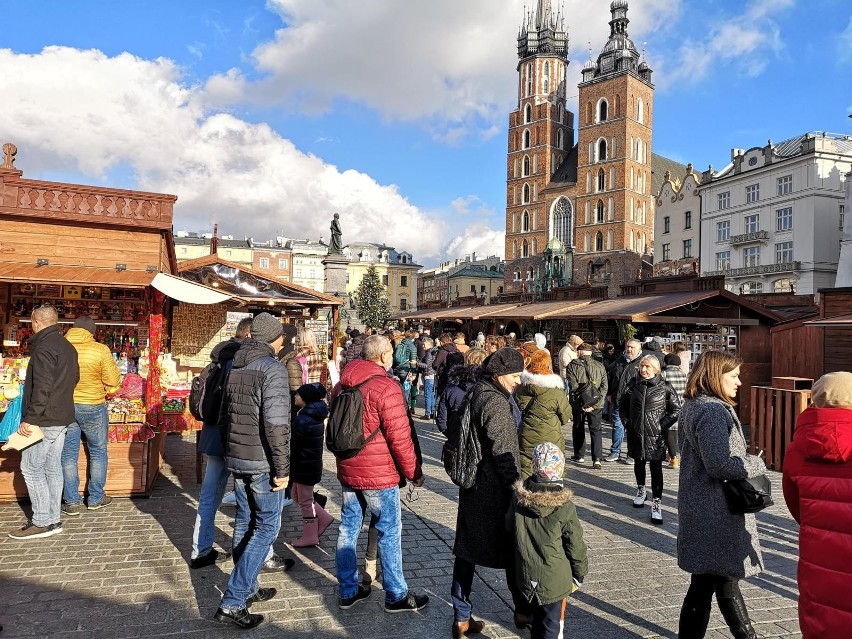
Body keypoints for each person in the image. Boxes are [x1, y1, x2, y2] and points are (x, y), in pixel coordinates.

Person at [332, 335, 428, 613]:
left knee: (348, 528)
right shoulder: (386, 387)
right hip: (379, 474)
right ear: (385, 356)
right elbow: (401, 438)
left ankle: (348, 591)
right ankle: (396, 594)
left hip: (349, 468)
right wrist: (414, 472)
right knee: (389, 531)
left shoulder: (342, 384)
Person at [677, 350, 765, 639]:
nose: (739, 382)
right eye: (734, 376)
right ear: (716, 376)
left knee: (712, 581)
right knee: (717, 581)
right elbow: (720, 465)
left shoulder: (695, 404)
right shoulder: (713, 410)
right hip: (716, 509)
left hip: (704, 505)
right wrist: (757, 462)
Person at [214, 312, 290, 629]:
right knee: (266, 529)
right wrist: (282, 467)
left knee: (246, 522)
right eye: (283, 335)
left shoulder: (237, 365)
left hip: (239, 456)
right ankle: (233, 600)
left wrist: (230, 452)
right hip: (261, 461)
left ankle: (249, 587)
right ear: (275, 338)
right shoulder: (272, 368)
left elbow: (223, 417)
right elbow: (276, 425)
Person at [451, 348, 531, 633]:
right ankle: (523, 611)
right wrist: (517, 489)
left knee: (467, 551)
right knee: (514, 550)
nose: (518, 381)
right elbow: (505, 451)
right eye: (514, 376)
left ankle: (461, 615)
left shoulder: (477, 391)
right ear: (498, 375)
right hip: (493, 488)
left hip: (473, 484)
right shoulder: (495, 402)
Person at [782, 371, 852, 639]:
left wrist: (818, 524)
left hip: (818, 552)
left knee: (823, 619)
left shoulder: (799, 445)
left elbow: (793, 500)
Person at [8, 305, 79, 540]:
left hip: (45, 418)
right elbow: (74, 378)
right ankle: (53, 519)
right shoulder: (67, 346)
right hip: (62, 416)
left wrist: (30, 419)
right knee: (51, 467)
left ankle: (41, 521)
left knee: (31, 468)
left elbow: (42, 387)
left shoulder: (43, 348)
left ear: (36, 322)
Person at [509, 442, 589, 639]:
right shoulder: (564, 505)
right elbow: (575, 543)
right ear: (559, 468)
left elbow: (509, 527)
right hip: (554, 579)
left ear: (535, 466)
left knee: (536, 621)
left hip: (525, 573)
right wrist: (579, 573)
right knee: (551, 626)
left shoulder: (518, 498)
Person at [190, 317, 252, 569]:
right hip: (233, 435)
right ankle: (249, 555)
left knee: (210, 493)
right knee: (247, 495)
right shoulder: (238, 360)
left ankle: (200, 549)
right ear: (249, 336)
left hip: (213, 432)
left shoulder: (218, 355)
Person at [61, 316, 121, 515]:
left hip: (66, 404)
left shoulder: (60, 346)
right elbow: (112, 380)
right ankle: (95, 498)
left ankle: (71, 501)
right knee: (98, 451)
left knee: (68, 453)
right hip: (93, 404)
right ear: (92, 332)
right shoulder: (99, 349)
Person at [619, 355, 680, 524]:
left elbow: (676, 410)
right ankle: (641, 490)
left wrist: (661, 425)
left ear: (656, 369)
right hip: (636, 433)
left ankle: (657, 503)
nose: (643, 370)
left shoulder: (665, 387)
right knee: (639, 462)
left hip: (656, 436)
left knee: (655, 468)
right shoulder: (633, 384)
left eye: (647, 367)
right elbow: (622, 404)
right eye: (641, 366)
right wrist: (627, 422)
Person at [290, 383, 334, 547]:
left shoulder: (303, 419)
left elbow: (294, 444)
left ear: (305, 399)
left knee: (305, 500)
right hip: (308, 465)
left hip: (304, 466)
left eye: (298, 395)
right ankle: (323, 518)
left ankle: (310, 536)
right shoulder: (311, 415)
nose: (295, 397)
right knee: (297, 496)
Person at [515, 350, 571, 478]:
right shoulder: (556, 391)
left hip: (526, 437)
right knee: (552, 469)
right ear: (548, 365)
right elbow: (565, 417)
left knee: (527, 468)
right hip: (552, 438)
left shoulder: (521, 389)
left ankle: (526, 494)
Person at [566, 343, 608, 469]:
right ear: (591, 353)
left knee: (578, 427)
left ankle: (580, 455)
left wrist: (583, 403)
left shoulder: (572, 366)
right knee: (596, 430)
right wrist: (596, 401)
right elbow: (604, 386)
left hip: (579, 404)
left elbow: (573, 387)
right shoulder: (600, 366)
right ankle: (597, 459)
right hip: (597, 403)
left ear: (579, 352)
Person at [605, 339, 642, 464]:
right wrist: (609, 393)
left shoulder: (642, 362)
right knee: (617, 426)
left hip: (635, 401)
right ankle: (615, 451)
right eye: (628, 347)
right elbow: (611, 377)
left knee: (633, 429)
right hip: (619, 399)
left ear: (639, 348)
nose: (629, 349)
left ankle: (631, 454)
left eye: (632, 347)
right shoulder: (620, 360)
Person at [436, 349, 486, 435]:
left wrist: (452, 436)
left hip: (455, 438)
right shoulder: (490, 388)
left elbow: (442, 419)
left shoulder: (451, 387)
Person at [661, 353, 687, 469]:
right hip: (681, 405)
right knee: (675, 432)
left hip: (668, 407)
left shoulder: (664, 374)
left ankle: (674, 458)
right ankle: (670, 454)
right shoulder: (684, 374)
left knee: (668, 432)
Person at [416, 336, 439, 419]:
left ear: (429, 344)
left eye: (424, 345)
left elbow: (427, 366)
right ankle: (432, 412)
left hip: (429, 375)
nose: (423, 346)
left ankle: (427, 413)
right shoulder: (433, 351)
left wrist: (417, 363)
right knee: (431, 395)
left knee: (427, 395)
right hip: (432, 375)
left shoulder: (429, 353)